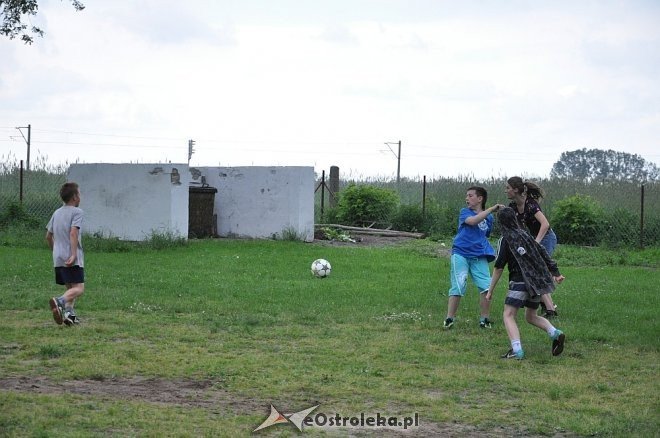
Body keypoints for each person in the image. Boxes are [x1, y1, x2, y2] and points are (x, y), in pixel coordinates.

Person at [486, 207, 566, 359]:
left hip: (519, 282)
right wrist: (556, 273)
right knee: (531, 316)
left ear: (501, 223)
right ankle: (555, 333)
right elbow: (543, 252)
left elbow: (499, 267)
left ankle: (517, 350)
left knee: (508, 314)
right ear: (515, 219)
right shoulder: (526, 235)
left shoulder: (505, 239)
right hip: (535, 284)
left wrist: (490, 290)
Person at [444, 186, 504, 329]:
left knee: (486, 287)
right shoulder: (465, 212)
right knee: (459, 284)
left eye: (470, 196)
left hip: (479, 255)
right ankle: (449, 319)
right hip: (461, 253)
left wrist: (490, 213)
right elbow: (473, 221)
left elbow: (485, 234)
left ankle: (484, 319)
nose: (467, 198)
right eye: (467, 196)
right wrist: (491, 209)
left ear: (480, 199)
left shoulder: (489, 218)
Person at [506, 176, 559, 318]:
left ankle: (549, 308)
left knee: (539, 271)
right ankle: (549, 307)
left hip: (546, 237)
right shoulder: (512, 207)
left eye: (508, 188)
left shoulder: (531, 204)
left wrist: (536, 243)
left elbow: (545, 224)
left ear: (516, 190)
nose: (506, 191)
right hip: (532, 239)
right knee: (536, 272)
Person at [46, 182, 85, 326]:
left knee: (70, 288)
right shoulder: (77, 212)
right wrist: (73, 254)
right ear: (75, 197)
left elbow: (48, 236)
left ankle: (70, 316)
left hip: (58, 257)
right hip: (71, 256)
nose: (80, 196)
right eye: (79, 194)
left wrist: (56, 252)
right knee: (79, 288)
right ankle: (60, 301)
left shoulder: (56, 213)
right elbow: (73, 232)